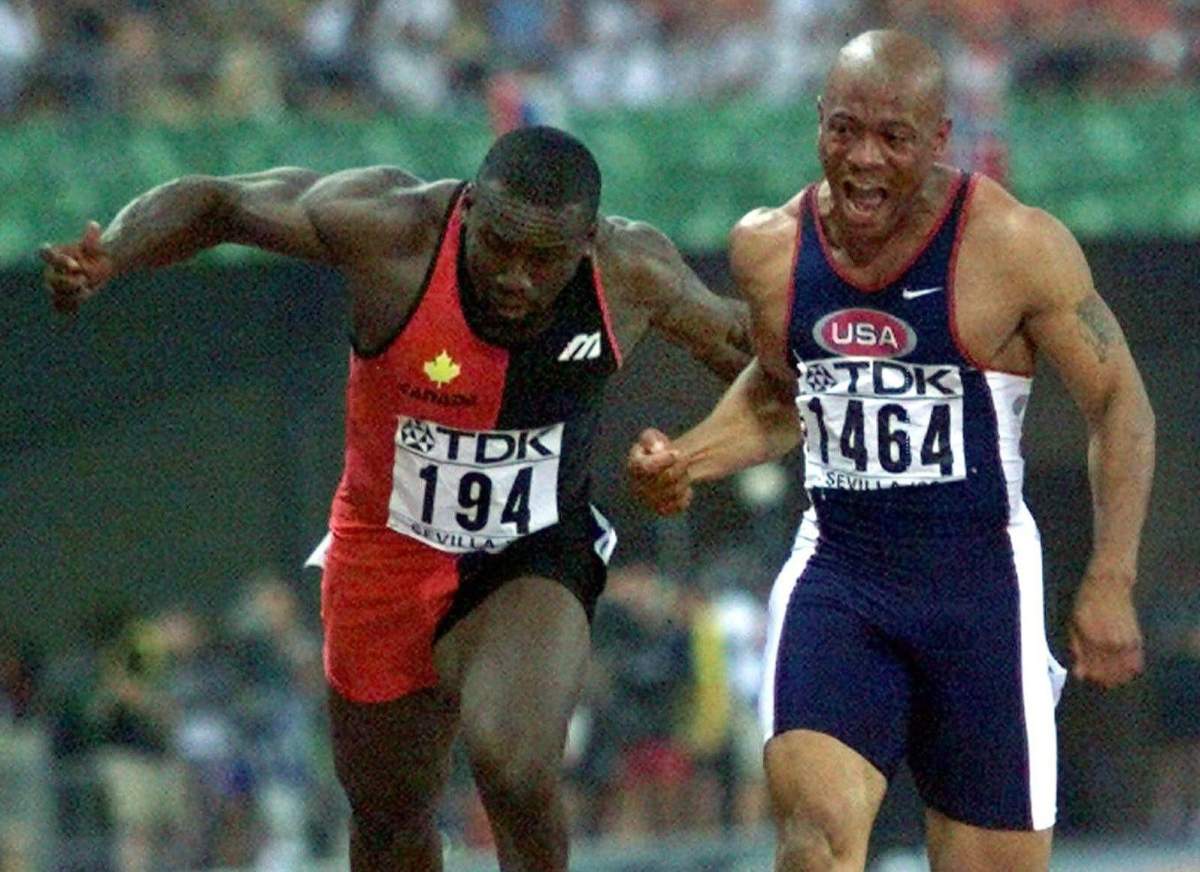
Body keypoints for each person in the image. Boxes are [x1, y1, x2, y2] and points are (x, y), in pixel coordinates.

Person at [40, 124, 752, 871]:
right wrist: (112, 253)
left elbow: (751, 354)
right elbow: (221, 204)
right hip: (384, 552)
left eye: (542, 260)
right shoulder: (392, 230)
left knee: (514, 766)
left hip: (531, 550)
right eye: (498, 244)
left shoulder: (631, 271)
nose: (514, 275)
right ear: (469, 208)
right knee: (387, 820)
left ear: (585, 245)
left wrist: (697, 454)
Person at [627, 30, 1154, 872]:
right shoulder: (769, 248)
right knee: (815, 844)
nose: (863, 160)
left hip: (981, 591)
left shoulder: (1014, 245)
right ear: (818, 125)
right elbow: (783, 392)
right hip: (842, 578)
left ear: (940, 138)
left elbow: (1120, 401)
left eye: (894, 138)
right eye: (844, 130)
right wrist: (687, 458)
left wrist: (1110, 576)